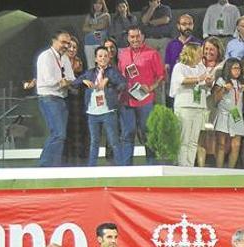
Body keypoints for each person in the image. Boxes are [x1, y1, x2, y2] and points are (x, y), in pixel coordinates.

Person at [118, 26, 164, 165]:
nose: (135, 39)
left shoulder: (152, 53)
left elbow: (161, 76)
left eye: (137, 36)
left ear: (142, 37)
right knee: (127, 133)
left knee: (147, 132)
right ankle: (126, 167)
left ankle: (151, 165)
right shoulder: (123, 54)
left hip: (145, 99)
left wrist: (150, 87)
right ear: (128, 38)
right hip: (127, 99)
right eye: (132, 37)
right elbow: (120, 74)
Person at [75, 45, 127, 167]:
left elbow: (123, 84)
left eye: (105, 56)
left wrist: (109, 81)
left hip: (108, 111)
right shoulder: (89, 73)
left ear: (109, 58)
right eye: (100, 56)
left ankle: (121, 167)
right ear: (95, 59)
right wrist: (83, 81)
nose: (103, 58)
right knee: (94, 142)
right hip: (93, 113)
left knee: (114, 141)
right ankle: (91, 167)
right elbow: (74, 83)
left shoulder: (112, 72)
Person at [36, 31, 76, 167]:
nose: (66, 45)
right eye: (63, 42)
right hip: (49, 97)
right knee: (58, 133)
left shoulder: (64, 58)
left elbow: (72, 78)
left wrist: (66, 82)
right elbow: (48, 80)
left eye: (68, 43)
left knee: (60, 135)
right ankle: (44, 165)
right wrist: (63, 82)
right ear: (54, 41)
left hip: (61, 98)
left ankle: (54, 166)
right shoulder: (45, 56)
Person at [169, 44, 210, 167]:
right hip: (185, 106)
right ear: (192, 53)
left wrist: (209, 82)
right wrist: (199, 78)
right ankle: (182, 165)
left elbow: (206, 83)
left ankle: (190, 165)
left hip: (199, 106)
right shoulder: (179, 67)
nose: (201, 55)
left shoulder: (201, 67)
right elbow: (183, 81)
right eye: (199, 52)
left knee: (193, 140)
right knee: (184, 139)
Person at [212, 57, 244, 168]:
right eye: (234, 68)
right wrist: (223, 89)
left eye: (239, 68)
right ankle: (219, 169)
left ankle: (231, 169)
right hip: (224, 114)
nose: (237, 71)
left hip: (237, 115)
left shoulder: (241, 82)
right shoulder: (221, 81)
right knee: (221, 144)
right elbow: (215, 99)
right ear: (228, 69)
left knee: (236, 145)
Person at [198, 36, 224, 167]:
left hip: (213, 105)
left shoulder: (222, 67)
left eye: (212, 49)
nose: (208, 52)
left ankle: (210, 161)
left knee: (210, 133)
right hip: (197, 104)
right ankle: (199, 163)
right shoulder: (197, 64)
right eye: (206, 48)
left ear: (218, 51)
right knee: (199, 134)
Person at [64, 38, 89, 166]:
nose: (72, 50)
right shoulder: (60, 63)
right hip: (65, 99)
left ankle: (81, 158)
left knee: (80, 128)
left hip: (79, 100)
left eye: (75, 47)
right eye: (70, 47)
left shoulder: (80, 63)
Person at [164, 14, 200, 85]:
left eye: (190, 24)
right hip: (176, 84)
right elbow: (167, 67)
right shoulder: (171, 44)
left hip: (194, 83)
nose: (187, 27)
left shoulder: (199, 44)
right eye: (184, 24)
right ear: (178, 26)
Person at [82, 0, 112, 69]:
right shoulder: (89, 16)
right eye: (95, 3)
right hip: (88, 43)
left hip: (100, 42)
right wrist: (95, 28)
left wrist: (90, 26)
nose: (97, 5)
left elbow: (102, 26)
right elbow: (84, 28)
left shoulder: (106, 15)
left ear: (103, 5)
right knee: (91, 66)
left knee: (103, 64)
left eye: (99, 3)